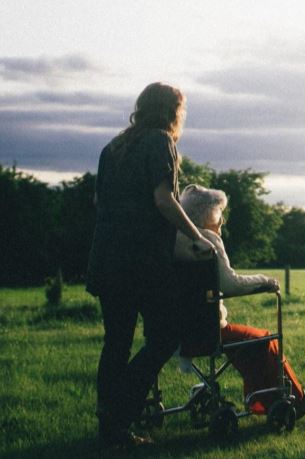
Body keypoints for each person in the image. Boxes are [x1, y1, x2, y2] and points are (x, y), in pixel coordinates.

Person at [86, 82, 214, 448]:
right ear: (172, 111)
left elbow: (99, 200)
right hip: (141, 262)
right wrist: (196, 236)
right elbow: (164, 199)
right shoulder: (161, 142)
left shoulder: (113, 147)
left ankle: (109, 427)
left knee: (117, 343)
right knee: (165, 337)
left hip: (106, 258)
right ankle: (121, 412)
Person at [173, 185, 305, 418]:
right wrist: (265, 281)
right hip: (207, 330)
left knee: (249, 341)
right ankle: (295, 399)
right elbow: (231, 284)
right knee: (263, 339)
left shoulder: (175, 240)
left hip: (176, 330)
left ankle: (264, 400)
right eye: (218, 212)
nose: (222, 219)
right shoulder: (207, 240)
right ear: (204, 214)